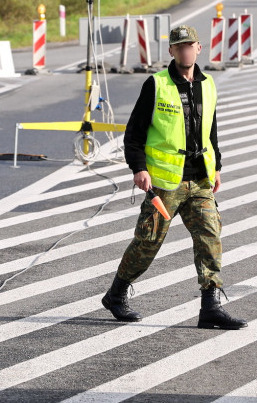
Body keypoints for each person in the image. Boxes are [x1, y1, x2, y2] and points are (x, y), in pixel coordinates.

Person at [101, 24, 247, 330]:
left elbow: (212, 131)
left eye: (189, 45)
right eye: (178, 47)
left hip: (200, 180)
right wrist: (139, 168)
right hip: (165, 184)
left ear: (198, 48)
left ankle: (210, 306)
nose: (184, 51)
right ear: (171, 51)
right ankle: (116, 294)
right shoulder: (156, 85)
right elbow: (134, 134)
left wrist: (216, 165)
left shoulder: (208, 85)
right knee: (147, 242)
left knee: (210, 236)